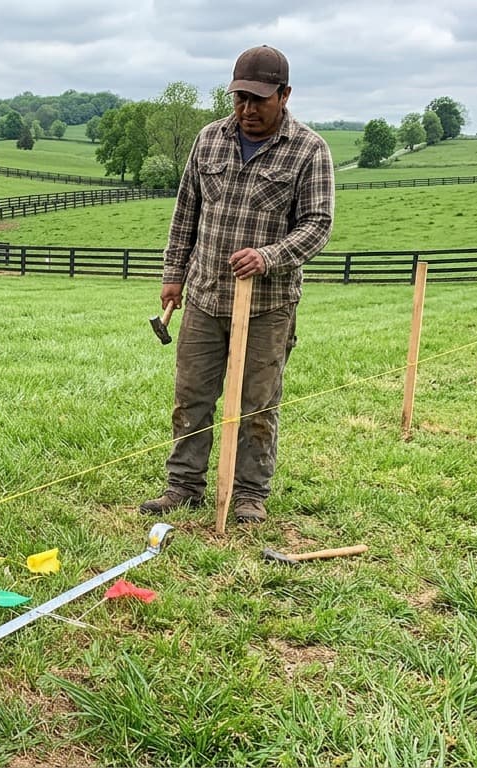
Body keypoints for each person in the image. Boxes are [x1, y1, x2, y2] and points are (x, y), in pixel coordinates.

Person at [139, 45, 335, 524]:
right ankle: (183, 485)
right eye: (240, 98)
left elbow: (317, 225)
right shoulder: (209, 140)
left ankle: (249, 494)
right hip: (205, 297)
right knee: (192, 396)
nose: (247, 109)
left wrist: (268, 257)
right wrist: (173, 274)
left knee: (257, 403)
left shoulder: (310, 150)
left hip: (268, 305)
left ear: (285, 96)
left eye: (259, 99)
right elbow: (186, 212)